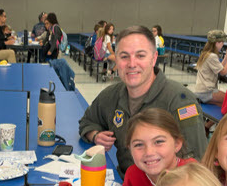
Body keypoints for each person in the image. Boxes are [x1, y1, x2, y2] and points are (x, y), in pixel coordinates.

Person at [78, 25, 208, 174]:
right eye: (124, 56)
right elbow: (87, 122)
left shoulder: (180, 101)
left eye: (140, 56)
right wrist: (95, 135)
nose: (132, 64)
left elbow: (197, 164)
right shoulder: (111, 96)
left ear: (153, 59)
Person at [122, 109, 193, 186]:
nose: (149, 152)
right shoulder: (133, 175)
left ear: (177, 144)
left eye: (159, 142)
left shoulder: (193, 177)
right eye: (139, 145)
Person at [192, 30, 227, 106]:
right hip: (206, 92)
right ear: (217, 42)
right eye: (222, 42)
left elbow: (219, 68)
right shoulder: (212, 56)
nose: (223, 45)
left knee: (222, 104)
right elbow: (224, 72)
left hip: (201, 91)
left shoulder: (206, 53)